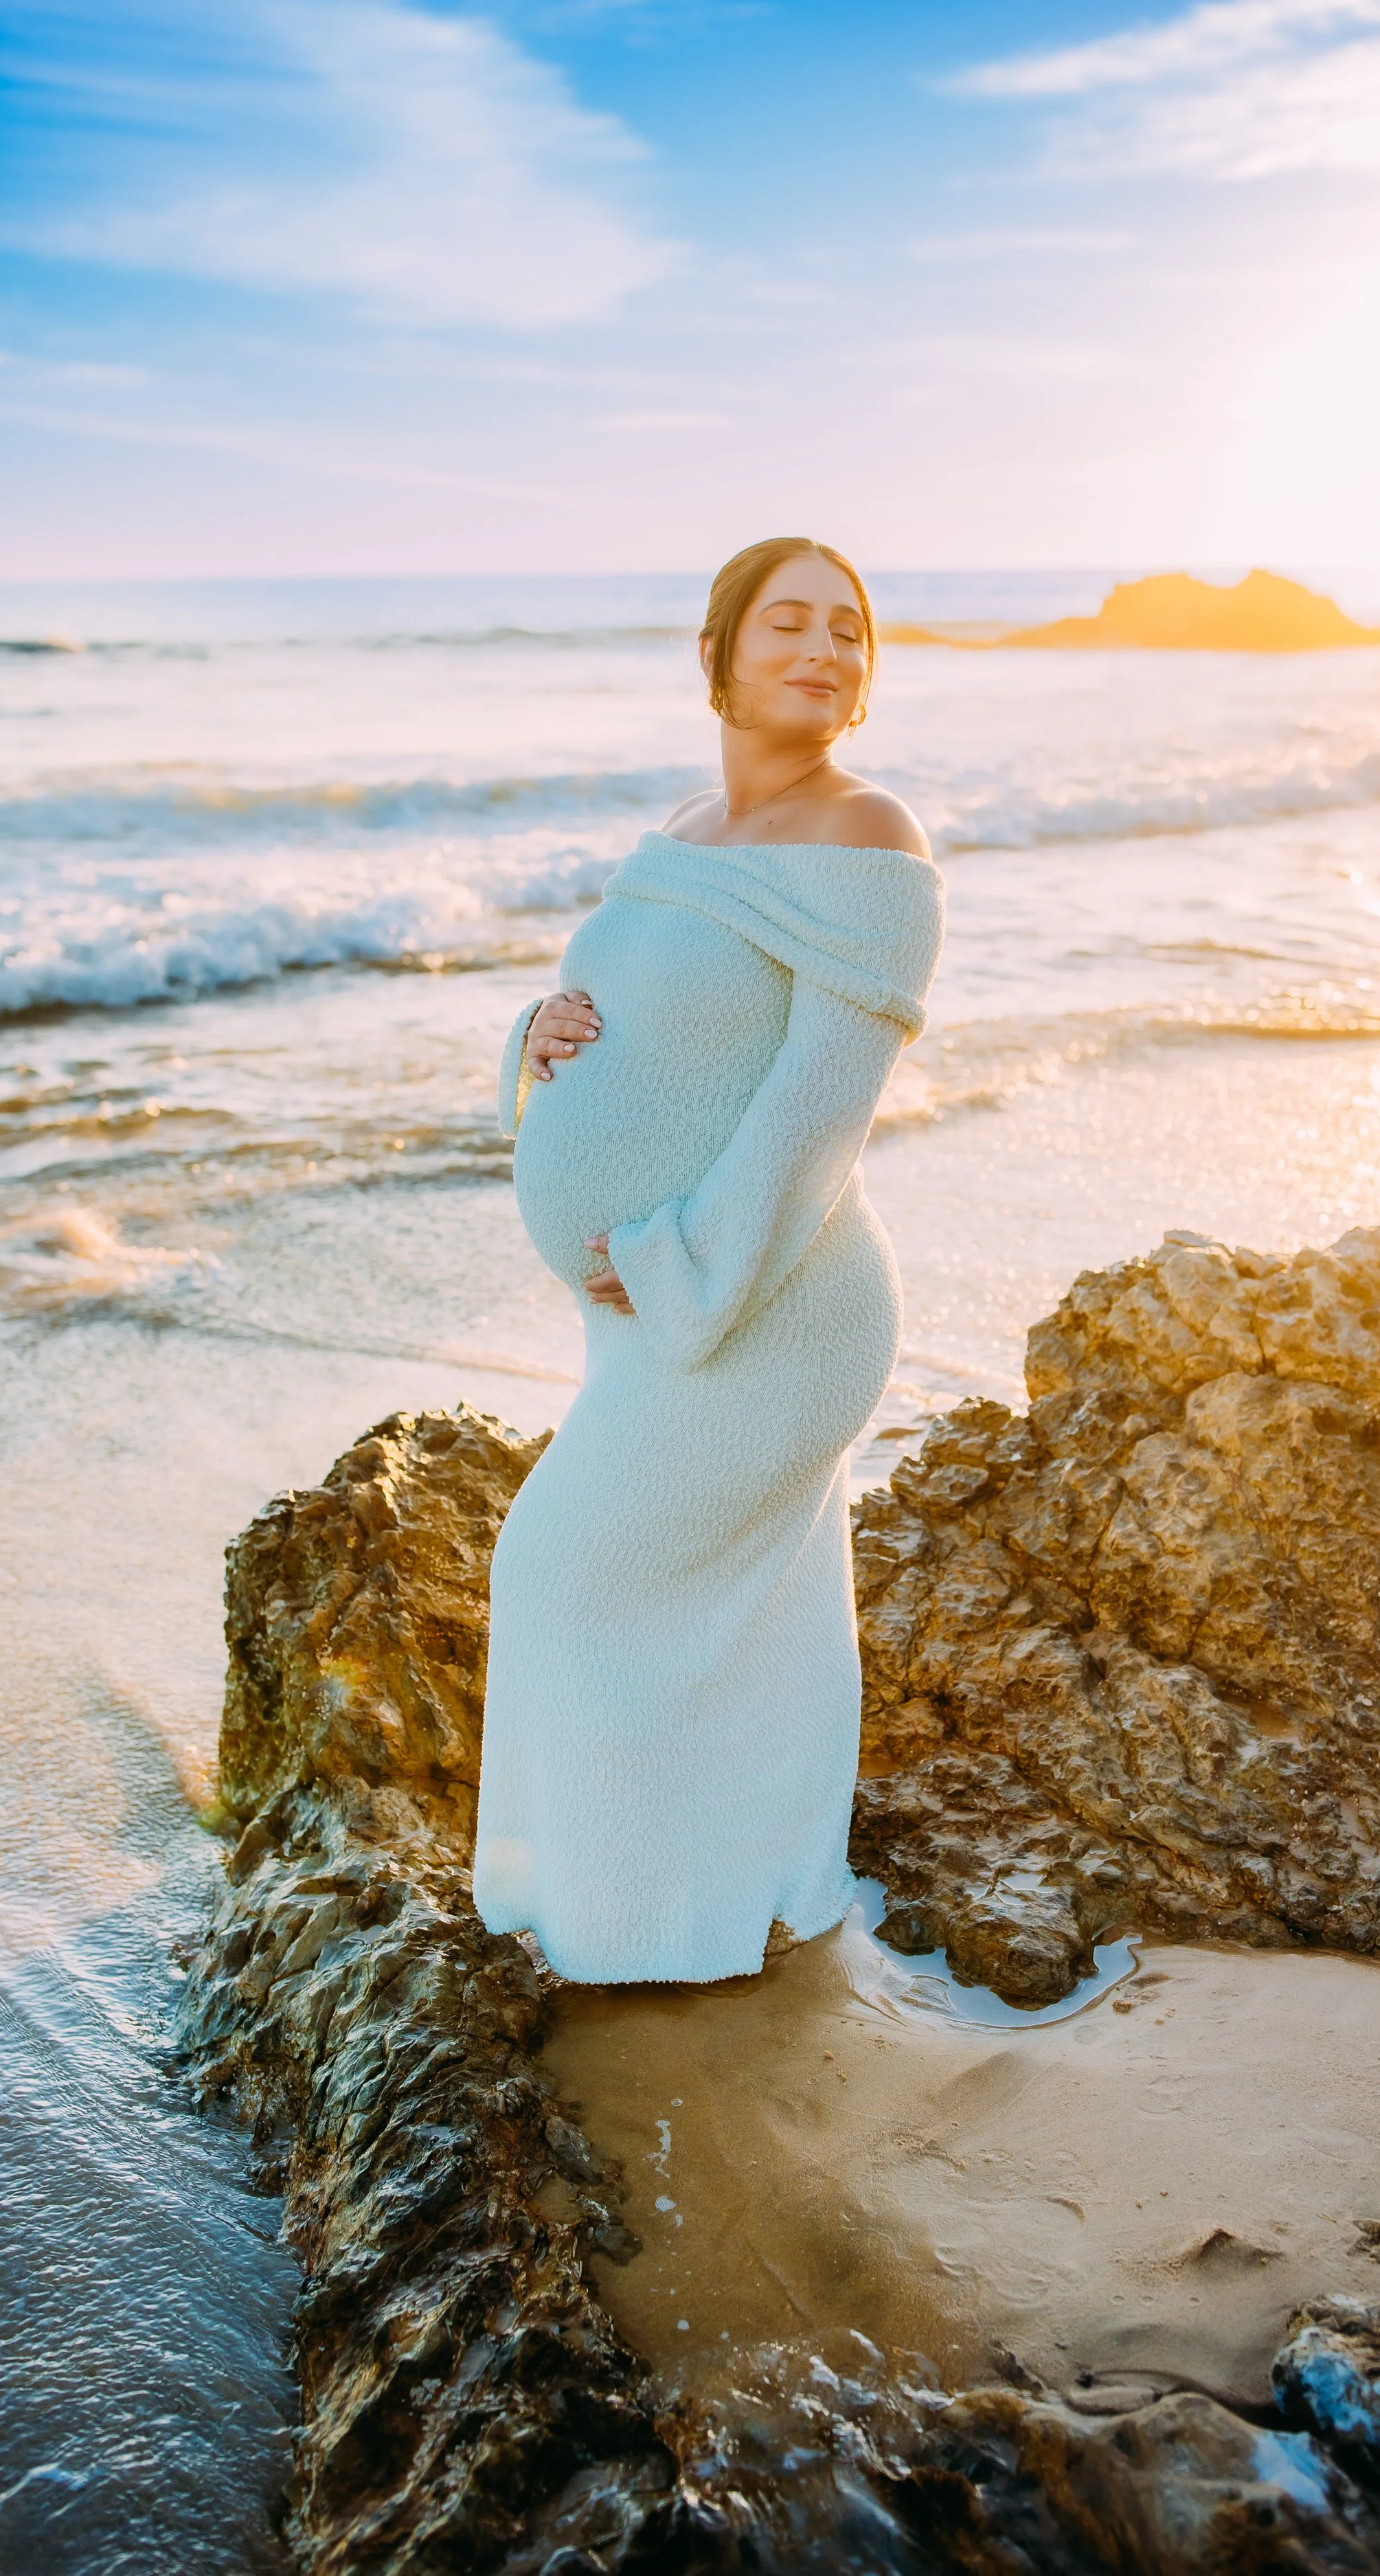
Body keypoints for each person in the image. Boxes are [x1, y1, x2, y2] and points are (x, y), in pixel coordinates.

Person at [472, 537, 944, 1982]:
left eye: (847, 630)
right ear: (719, 652)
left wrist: (676, 1263)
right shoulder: (680, 834)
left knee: (560, 1577)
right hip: (662, 1311)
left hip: (770, 1308)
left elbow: (813, 1120)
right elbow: (626, 1022)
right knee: (744, 1619)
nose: (821, 648)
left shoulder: (872, 842)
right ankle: (738, 1906)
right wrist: (531, 1044)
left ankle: (621, 1942)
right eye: (787, 621)